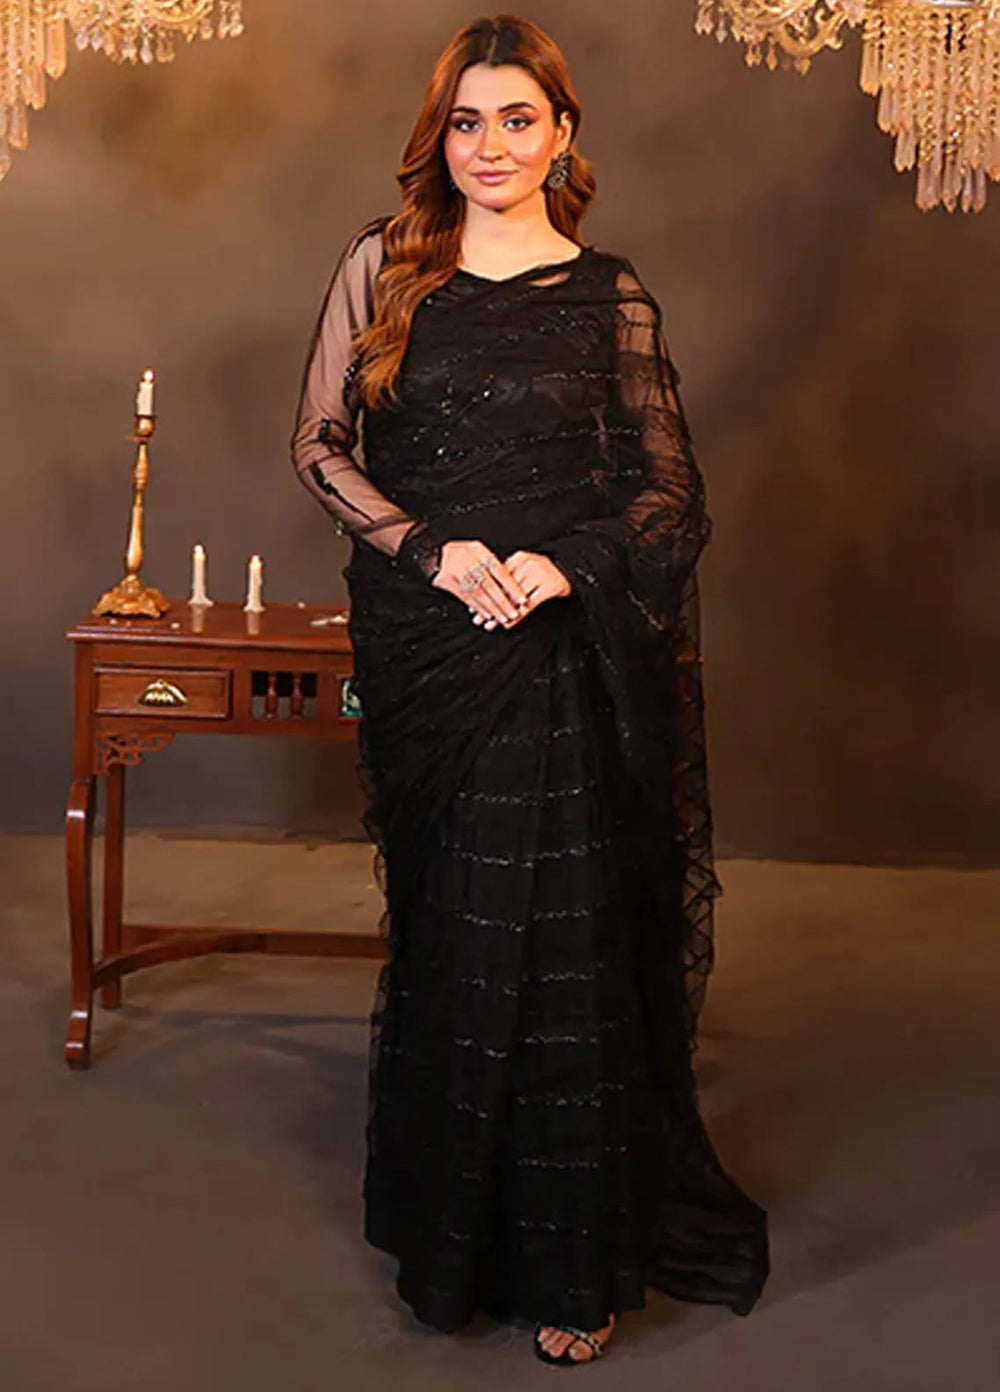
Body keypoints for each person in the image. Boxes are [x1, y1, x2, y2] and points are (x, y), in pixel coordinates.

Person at [290, 12, 769, 1366]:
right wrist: (434, 552)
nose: (489, 146)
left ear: (563, 134)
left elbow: (672, 492)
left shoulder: (611, 293)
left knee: (563, 946)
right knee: (452, 932)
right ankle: (453, 1246)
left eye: (517, 119)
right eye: (466, 121)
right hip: (432, 643)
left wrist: (567, 567)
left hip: (563, 650)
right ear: (438, 136)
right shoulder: (384, 265)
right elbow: (319, 445)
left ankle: (573, 1259)